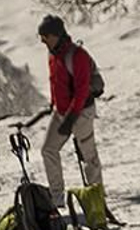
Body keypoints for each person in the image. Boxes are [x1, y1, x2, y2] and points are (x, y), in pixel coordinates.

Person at [38, 14, 104, 201]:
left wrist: (71, 117)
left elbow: (82, 90)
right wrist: (54, 105)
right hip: (61, 112)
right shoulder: (52, 55)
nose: (43, 41)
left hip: (81, 112)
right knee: (48, 150)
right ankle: (57, 197)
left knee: (88, 156)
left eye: (45, 36)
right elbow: (55, 83)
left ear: (56, 34)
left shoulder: (77, 55)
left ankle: (96, 196)